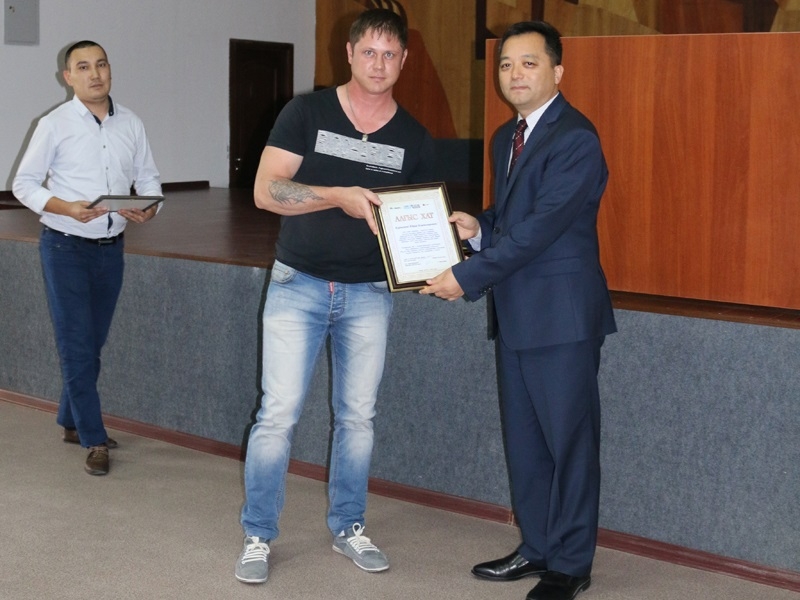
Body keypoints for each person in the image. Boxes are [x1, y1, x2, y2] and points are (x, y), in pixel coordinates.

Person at [235, 8, 434, 585]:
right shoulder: (307, 112)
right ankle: (258, 534)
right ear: (349, 54)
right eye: (368, 52)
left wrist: (447, 249)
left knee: (358, 418)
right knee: (277, 415)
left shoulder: (414, 137)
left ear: (404, 61)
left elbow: (416, 220)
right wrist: (337, 196)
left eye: (390, 55)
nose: (379, 64)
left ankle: (349, 527)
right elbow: (266, 192)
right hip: (297, 284)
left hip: (369, 291)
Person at [420, 21, 617, 600]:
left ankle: (571, 564)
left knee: (569, 445)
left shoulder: (576, 138)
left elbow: (540, 231)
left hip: (561, 319)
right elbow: (513, 220)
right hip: (517, 315)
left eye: (529, 63)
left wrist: (465, 276)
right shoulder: (507, 136)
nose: (515, 74)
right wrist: (478, 226)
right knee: (526, 444)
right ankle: (537, 547)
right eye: (506, 64)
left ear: (558, 70)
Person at [13, 40, 162, 477]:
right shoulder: (54, 124)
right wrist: (66, 207)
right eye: (83, 67)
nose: (94, 74)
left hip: (111, 249)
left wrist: (149, 208)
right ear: (68, 77)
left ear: (110, 70)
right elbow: (24, 184)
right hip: (65, 247)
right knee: (77, 346)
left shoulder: (131, 122)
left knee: (92, 343)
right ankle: (93, 438)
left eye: (101, 65)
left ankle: (70, 419)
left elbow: (149, 180)